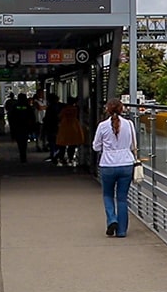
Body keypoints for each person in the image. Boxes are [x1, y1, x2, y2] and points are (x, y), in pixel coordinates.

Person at [92, 98, 137, 238]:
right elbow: (133, 145)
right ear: (122, 109)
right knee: (122, 198)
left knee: (108, 195)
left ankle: (112, 219)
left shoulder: (102, 126)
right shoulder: (129, 124)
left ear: (107, 109)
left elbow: (96, 146)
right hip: (126, 164)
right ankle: (122, 231)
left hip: (108, 164)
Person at [55, 96, 84, 166]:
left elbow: (59, 116)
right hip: (74, 127)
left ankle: (61, 158)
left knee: (62, 144)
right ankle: (70, 158)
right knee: (72, 144)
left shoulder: (64, 109)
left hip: (64, 127)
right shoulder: (76, 109)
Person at [9, 93, 36, 163]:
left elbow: (11, 117)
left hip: (17, 127)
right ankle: (23, 155)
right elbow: (32, 117)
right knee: (24, 141)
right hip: (25, 127)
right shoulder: (27, 106)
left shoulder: (15, 106)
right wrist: (32, 127)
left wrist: (12, 128)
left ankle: (22, 154)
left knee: (20, 142)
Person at [42, 93, 61, 163]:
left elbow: (48, 119)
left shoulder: (50, 108)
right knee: (56, 142)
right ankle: (55, 155)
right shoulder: (59, 106)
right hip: (57, 127)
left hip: (51, 127)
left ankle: (53, 155)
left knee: (52, 142)